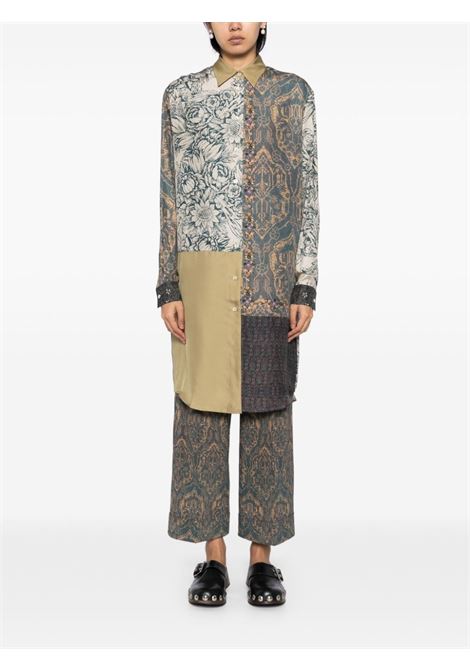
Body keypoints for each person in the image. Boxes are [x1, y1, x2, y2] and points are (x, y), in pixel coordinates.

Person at [156, 22, 320, 607]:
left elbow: (307, 191)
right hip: (200, 279)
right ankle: (213, 558)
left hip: (271, 277)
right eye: (221, 12)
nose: (233, 23)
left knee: (267, 413)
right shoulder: (181, 94)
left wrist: (305, 282)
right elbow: (170, 195)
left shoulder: (293, 92)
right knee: (199, 413)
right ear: (206, 22)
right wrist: (168, 283)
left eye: (246, 11)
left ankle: (262, 560)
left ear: (263, 21)